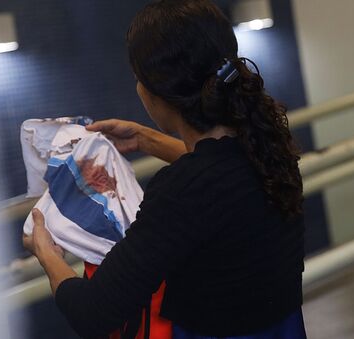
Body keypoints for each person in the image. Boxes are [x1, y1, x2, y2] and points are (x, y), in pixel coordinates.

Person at [22, 0, 306, 338]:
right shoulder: (270, 147)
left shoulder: (181, 190)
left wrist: (47, 252)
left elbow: (93, 313)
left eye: (138, 79)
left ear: (158, 93)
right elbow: (219, 172)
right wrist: (146, 139)